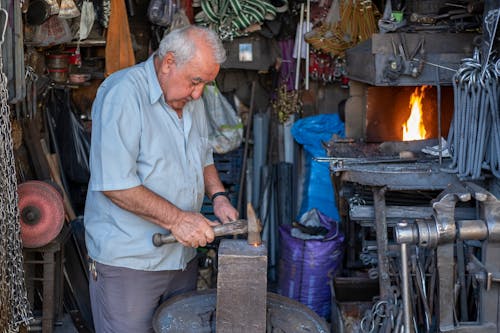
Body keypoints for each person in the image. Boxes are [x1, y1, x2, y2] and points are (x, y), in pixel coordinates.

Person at [84, 25, 239, 332]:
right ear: (169, 62)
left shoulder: (191, 100)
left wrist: (218, 196)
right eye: (195, 82)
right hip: (131, 263)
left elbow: (203, 156)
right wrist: (178, 220)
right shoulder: (123, 95)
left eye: (204, 85)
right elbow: (116, 184)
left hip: (181, 258)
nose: (198, 93)